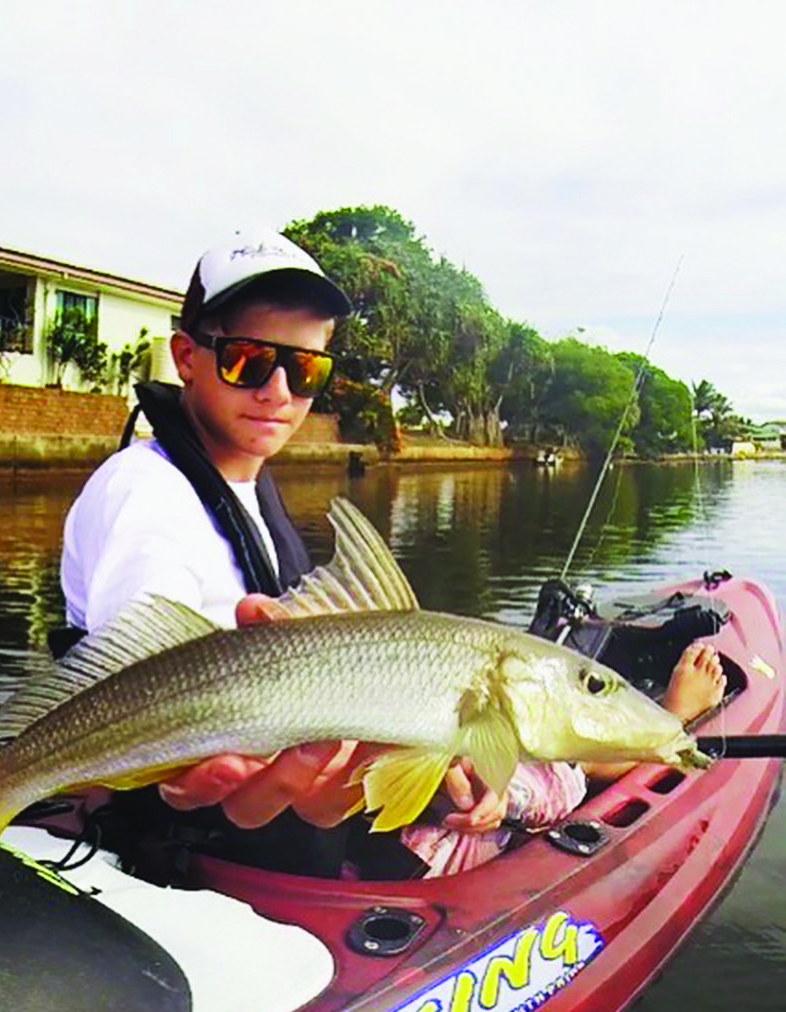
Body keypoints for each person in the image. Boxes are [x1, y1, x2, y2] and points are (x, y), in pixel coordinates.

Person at [59, 228, 498, 871]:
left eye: (306, 367)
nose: (279, 392)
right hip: (200, 863)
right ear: (185, 356)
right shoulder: (142, 496)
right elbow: (139, 682)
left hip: (284, 839)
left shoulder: (246, 482)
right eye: (247, 360)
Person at [400, 639, 728, 875]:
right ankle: (671, 718)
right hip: (415, 859)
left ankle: (654, 728)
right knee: (553, 782)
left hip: (405, 823)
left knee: (545, 769)